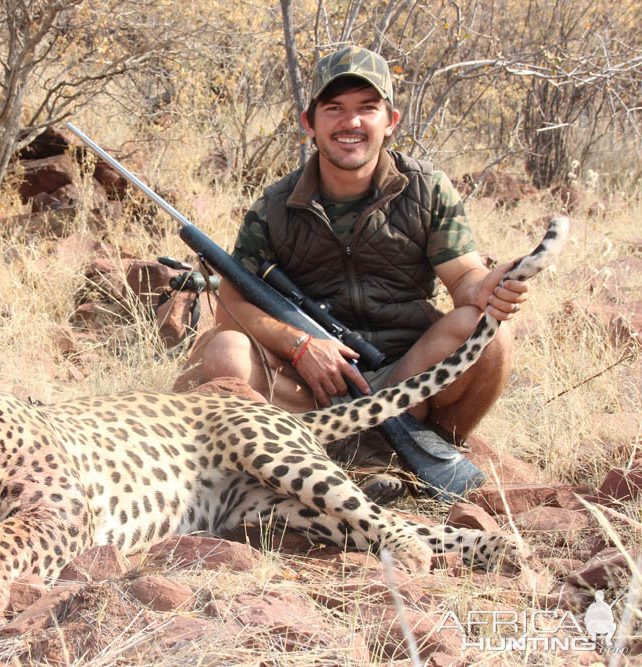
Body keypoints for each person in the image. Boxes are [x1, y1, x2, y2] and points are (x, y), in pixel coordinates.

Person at [187, 46, 532, 491]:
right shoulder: (274, 205)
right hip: (314, 390)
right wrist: (299, 346)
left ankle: (428, 451)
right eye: (334, 109)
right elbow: (230, 308)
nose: (351, 123)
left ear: (391, 120)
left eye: (366, 108)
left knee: (489, 331)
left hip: (406, 383)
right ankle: (320, 456)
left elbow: (464, 280)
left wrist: (489, 287)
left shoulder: (427, 188)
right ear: (309, 122)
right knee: (225, 352)